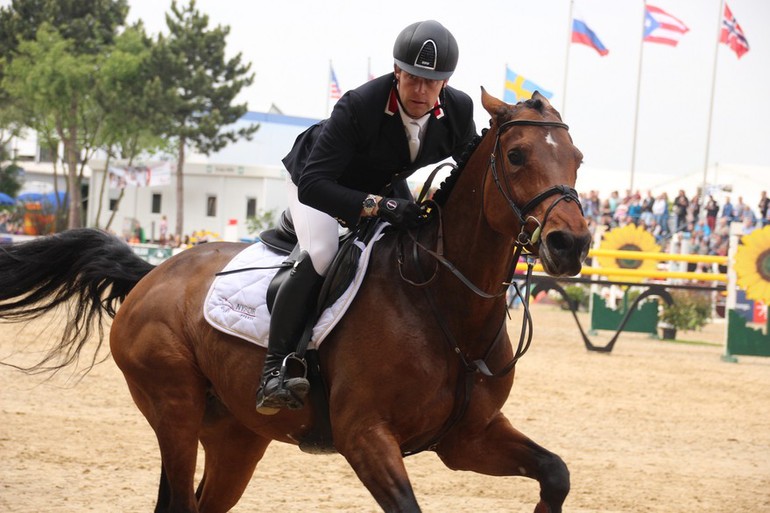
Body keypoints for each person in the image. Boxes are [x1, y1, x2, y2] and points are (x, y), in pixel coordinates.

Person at [255, 20, 477, 414]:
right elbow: (314, 185)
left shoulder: (458, 111)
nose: (421, 90)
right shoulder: (360, 105)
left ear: (446, 82)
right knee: (322, 253)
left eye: (432, 81)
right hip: (316, 179)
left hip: (381, 180)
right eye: (412, 78)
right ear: (397, 72)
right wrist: (383, 206)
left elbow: (473, 169)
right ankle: (274, 370)